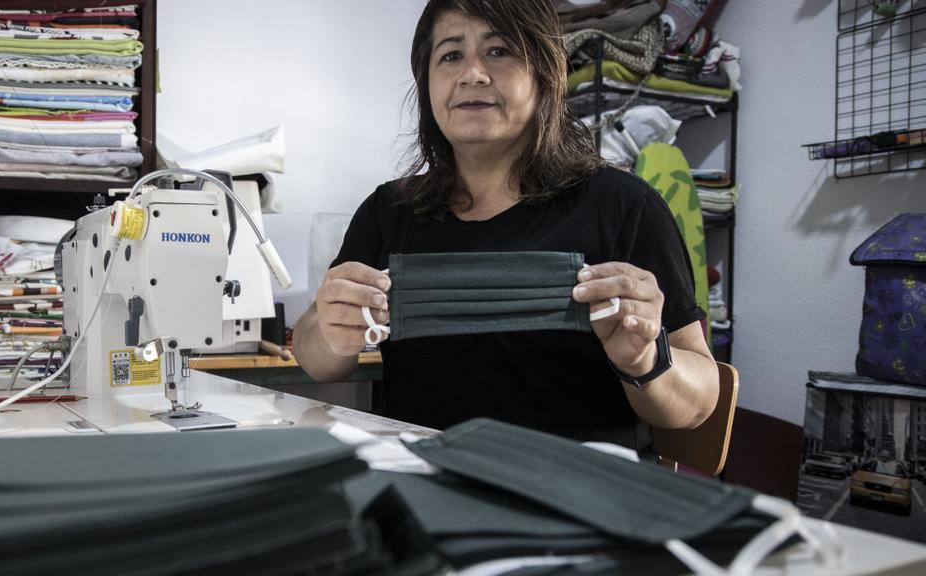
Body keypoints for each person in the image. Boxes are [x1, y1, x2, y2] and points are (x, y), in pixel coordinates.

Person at [293, 0, 719, 450]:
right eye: (451, 55)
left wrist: (646, 360)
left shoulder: (623, 206)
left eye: (499, 51)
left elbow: (699, 402)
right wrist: (329, 330)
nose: (472, 74)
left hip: (575, 495)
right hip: (423, 485)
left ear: (544, 75)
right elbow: (314, 356)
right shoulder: (390, 209)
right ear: (428, 84)